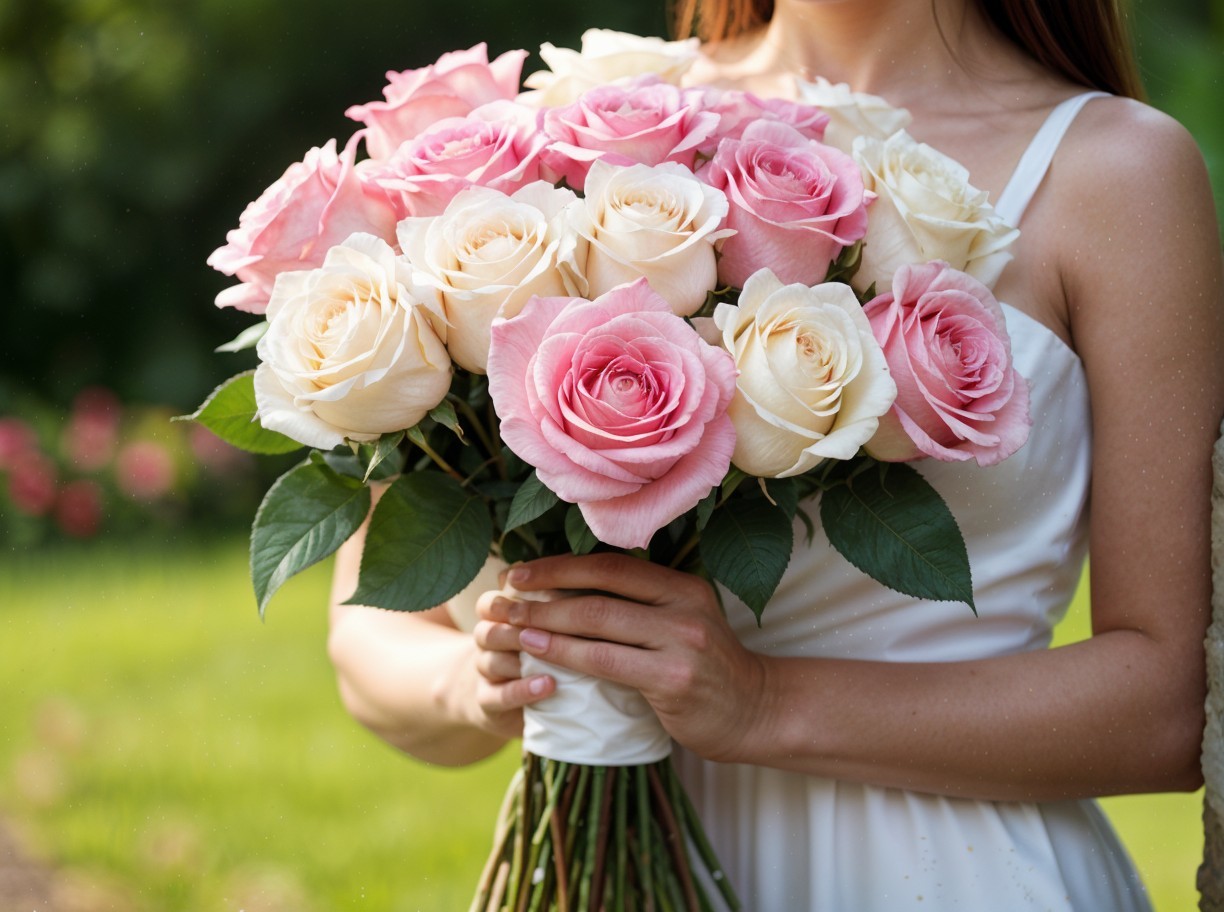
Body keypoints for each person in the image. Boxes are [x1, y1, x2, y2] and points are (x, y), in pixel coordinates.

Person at [327, 0, 1224, 907]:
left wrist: (761, 704)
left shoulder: (1117, 172)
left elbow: (1166, 705)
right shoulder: (596, 124)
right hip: (610, 865)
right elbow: (374, 629)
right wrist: (484, 685)